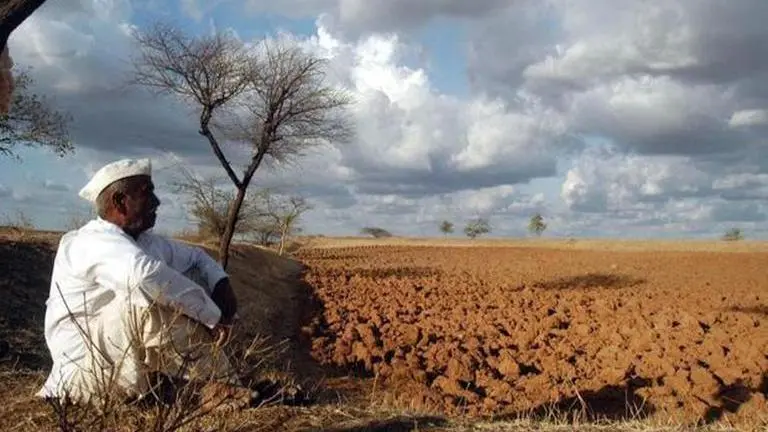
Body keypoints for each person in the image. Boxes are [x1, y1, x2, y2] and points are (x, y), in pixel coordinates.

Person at [37, 158, 252, 408]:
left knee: (188, 281)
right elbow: (143, 277)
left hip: (123, 363)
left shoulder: (145, 241)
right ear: (119, 201)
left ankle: (222, 383)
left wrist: (222, 286)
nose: (157, 201)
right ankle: (216, 386)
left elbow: (196, 257)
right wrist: (212, 317)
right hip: (85, 373)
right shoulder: (88, 242)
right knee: (145, 300)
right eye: (147, 193)